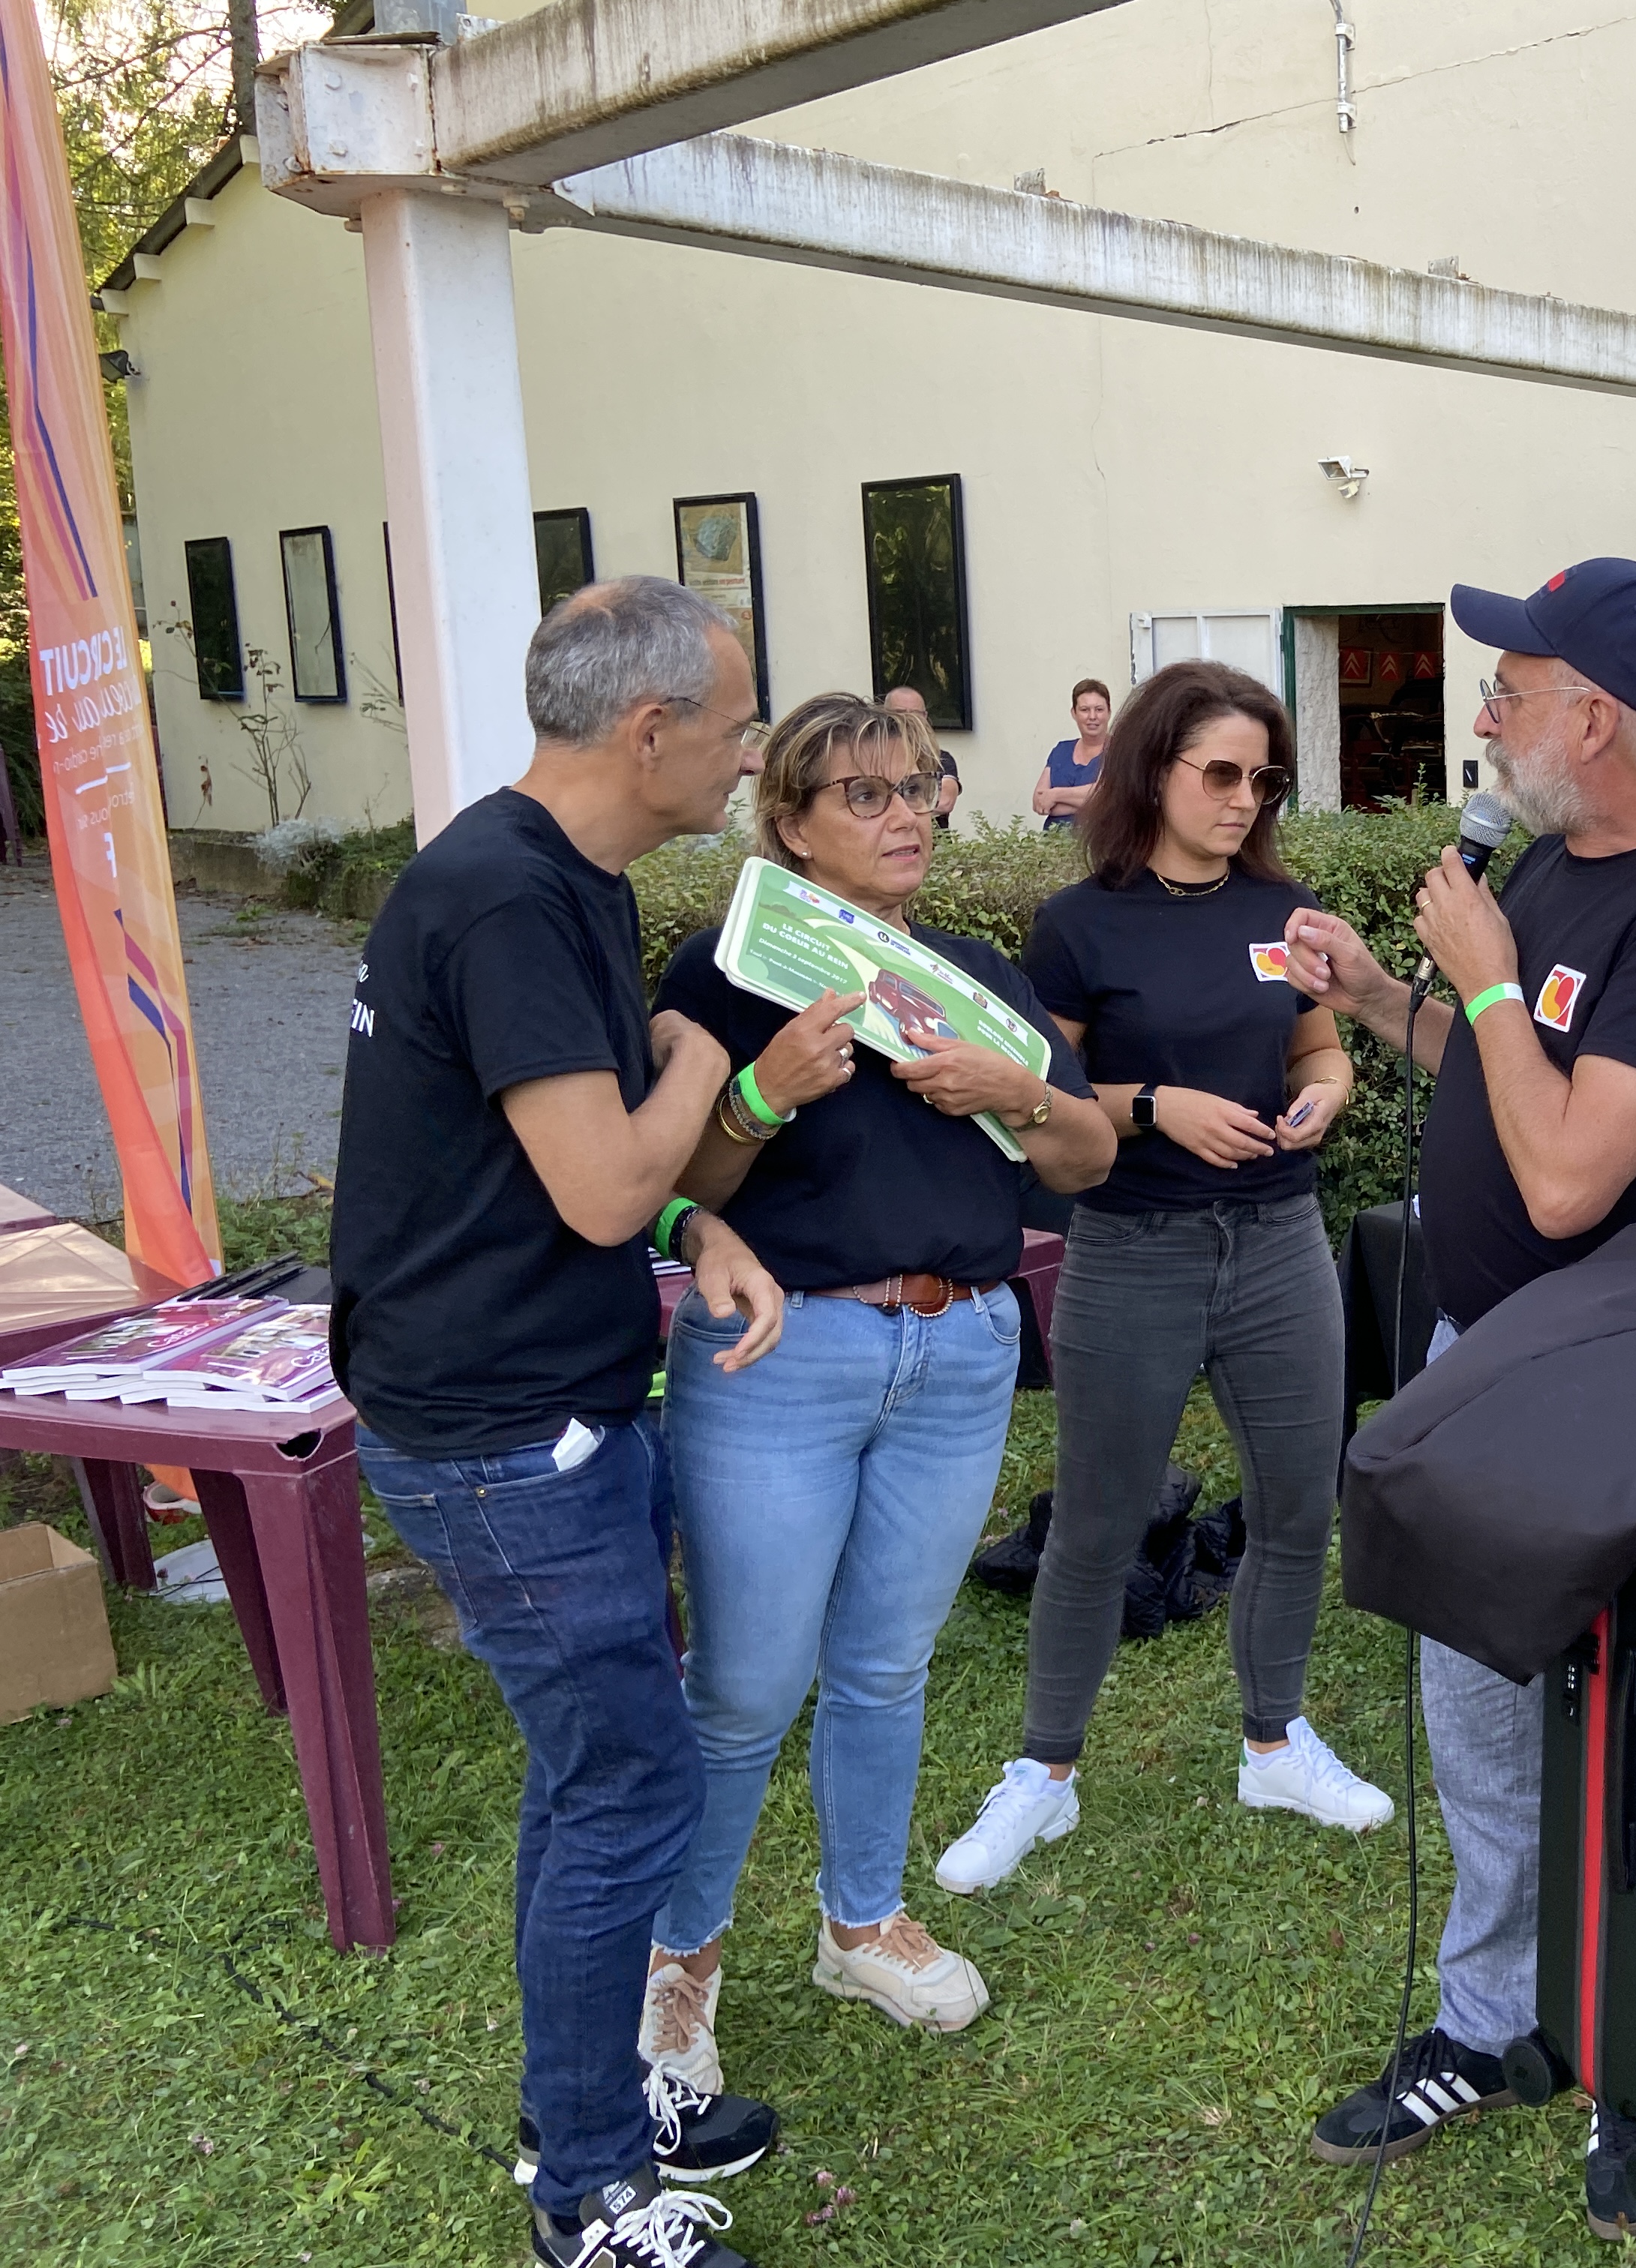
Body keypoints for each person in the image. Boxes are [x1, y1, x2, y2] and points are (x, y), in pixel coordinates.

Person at [1279, 558, 1636, 2242]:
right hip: (1492, 1360)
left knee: (1635, 1742)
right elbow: (1516, 1089)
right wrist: (1390, 1002)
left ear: (1591, 714)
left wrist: (1491, 979)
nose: (1485, 714)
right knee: (1478, 1714)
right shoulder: (1560, 870)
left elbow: (1576, 1175)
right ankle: (1491, 2020)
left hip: (1629, 1397)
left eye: (1508, 687)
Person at [332, 578, 789, 2268]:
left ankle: (579, 2097)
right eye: (735, 725)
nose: (746, 756)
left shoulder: (558, 875)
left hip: (541, 1407)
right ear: (649, 729)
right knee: (628, 1788)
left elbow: (572, 1164)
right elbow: (603, 1178)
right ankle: (590, 2185)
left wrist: (702, 1215)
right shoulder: (509, 899)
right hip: (506, 1437)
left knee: (591, 1774)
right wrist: (700, 1075)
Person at [635, 693, 1113, 2091]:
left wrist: (1009, 1087)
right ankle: (683, 1958)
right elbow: (664, 1189)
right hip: (783, 1360)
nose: (904, 812)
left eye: (919, 785)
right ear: (788, 823)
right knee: (741, 1685)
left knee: (886, 1664)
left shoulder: (973, 971)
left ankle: (858, 1920)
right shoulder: (721, 978)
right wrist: (758, 1096)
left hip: (959, 1349)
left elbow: (1084, 1159)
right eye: (863, 793)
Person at [932, 658, 1394, 1896]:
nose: (1244, 797)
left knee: (1301, 1501)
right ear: (1154, 769)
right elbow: (1051, 1107)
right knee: (1095, 1522)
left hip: (1279, 1240)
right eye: (1220, 772)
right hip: (1133, 1249)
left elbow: (1320, 1047)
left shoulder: (1279, 908)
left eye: (1262, 777)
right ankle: (1045, 1771)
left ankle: (1275, 1738)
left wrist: (1322, 1098)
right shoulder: (1079, 924)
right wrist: (1158, 1105)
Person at [1031, 677, 1113, 829]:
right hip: (1054, 846)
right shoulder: (1061, 750)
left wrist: (1055, 795)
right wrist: (1090, 800)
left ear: (1109, 712)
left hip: (1098, 842)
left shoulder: (1119, 750)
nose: (1092, 716)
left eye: (1099, 709)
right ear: (1074, 713)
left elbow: (1107, 797)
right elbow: (1039, 801)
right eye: (1085, 710)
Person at [879, 685, 960, 829]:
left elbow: (945, 801)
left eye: (915, 714)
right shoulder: (875, 759)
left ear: (925, 717)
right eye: (900, 713)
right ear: (885, 715)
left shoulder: (940, 759)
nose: (909, 720)